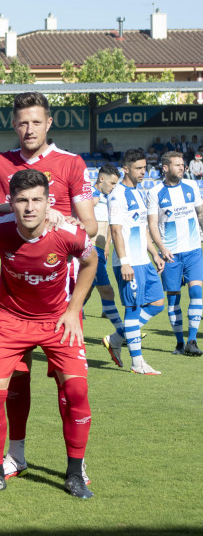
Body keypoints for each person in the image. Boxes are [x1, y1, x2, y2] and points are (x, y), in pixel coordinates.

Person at [0, 92, 96, 480]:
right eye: (22, 123)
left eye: (36, 122)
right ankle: (16, 453)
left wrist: (58, 222)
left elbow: (90, 227)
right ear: (14, 125)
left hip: (58, 292)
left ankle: (76, 463)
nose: (29, 130)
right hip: (15, 290)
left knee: (70, 386)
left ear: (49, 123)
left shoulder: (71, 163)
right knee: (16, 378)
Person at [103, 149, 165, 374]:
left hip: (144, 261)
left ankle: (117, 338)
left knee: (158, 303)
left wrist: (155, 254)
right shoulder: (117, 195)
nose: (143, 172)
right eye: (138, 168)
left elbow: (143, 229)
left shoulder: (139, 192)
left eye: (144, 167)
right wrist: (125, 262)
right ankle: (137, 363)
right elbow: (117, 231)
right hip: (129, 263)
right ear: (125, 169)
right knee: (133, 308)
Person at [146, 150, 203, 357]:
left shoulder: (191, 186)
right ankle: (179, 344)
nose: (182, 168)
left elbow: (200, 212)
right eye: (178, 165)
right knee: (173, 300)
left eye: (183, 165)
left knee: (197, 293)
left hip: (193, 250)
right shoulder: (155, 192)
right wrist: (161, 249)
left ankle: (192, 341)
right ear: (166, 168)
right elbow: (152, 224)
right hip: (171, 254)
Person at [86, 164, 125, 342]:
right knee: (108, 292)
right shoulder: (90, 196)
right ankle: (123, 333)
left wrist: (107, 245)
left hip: (101, 251)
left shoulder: (107, 197)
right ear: (101, 179)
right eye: (112, 183)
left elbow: (109, 224)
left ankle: (64, 323)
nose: (114, 187)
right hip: (90, 251)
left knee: (85, 291)